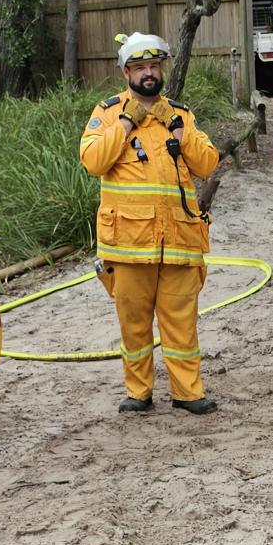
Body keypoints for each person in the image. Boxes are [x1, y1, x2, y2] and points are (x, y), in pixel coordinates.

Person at [78, 34, 224, 414]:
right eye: (141, 68)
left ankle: (187, 393)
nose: (148, 74)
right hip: (127, 244)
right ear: (127, 72)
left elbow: (207, 163)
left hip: (178, 240)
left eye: (154, 67)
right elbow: (93, 161)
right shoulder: (107, 113)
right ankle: (138, 393)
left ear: (161, 71)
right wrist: (127, 124)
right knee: (134, 324)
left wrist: (180, 132)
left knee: (181, 325)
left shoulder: (181, 114)